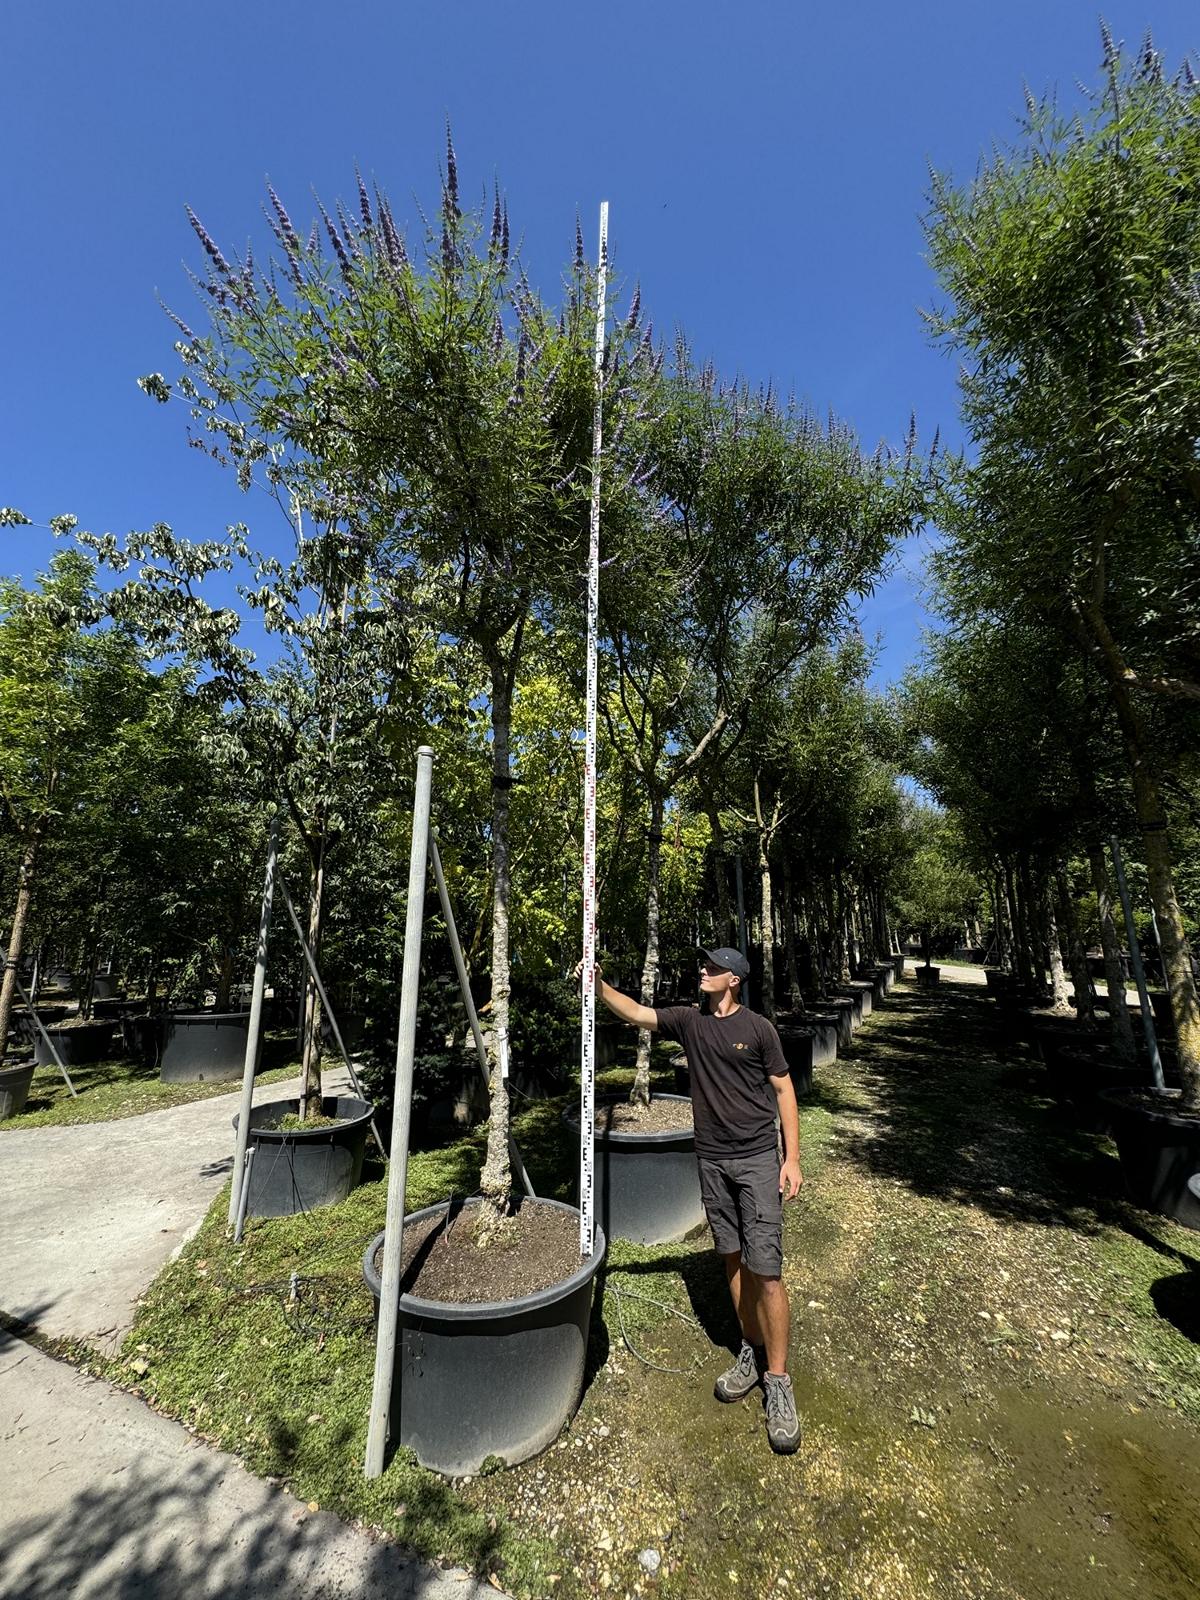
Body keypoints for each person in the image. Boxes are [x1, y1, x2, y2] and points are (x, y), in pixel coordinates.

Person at [581, 946, 803, 1454]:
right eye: (702, 966)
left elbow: (785, 1092)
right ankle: (750, 1349)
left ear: (735, 979)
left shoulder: (759, 1029)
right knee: (731, 1256)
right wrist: (598, 986)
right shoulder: (689, 1022)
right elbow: (637, 1012)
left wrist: (792, 1159)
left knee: (766, 1268)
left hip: (756, 1159)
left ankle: (779, 1379)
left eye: (712, 968)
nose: (702, 972)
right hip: (712, 1160)